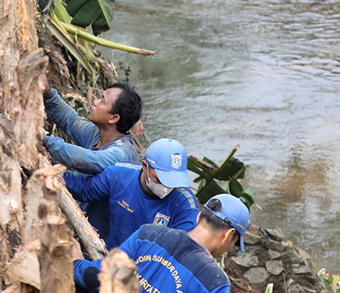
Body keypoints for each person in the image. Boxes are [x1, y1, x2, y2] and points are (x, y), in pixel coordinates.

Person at [73, 193, 250, 293]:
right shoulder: (215, 283)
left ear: (198, 217)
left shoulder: (149, 233)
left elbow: (95, 275)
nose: (228, 249)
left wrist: (76, 262)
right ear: (228, 234)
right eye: (234, 244)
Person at [43, 84, 142, 241]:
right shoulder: (98, 136)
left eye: (102, 101)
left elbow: (88, 160)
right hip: (81, 227)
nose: (95, 102)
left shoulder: (123, 154)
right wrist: (48, 93)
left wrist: (43, 140)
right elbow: (71, 121)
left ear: (114, 118)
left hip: (103, 241)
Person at [64, 138, 199, 250]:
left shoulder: (185, 204)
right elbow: (84, 189)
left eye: (173, 182)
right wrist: (54, 171)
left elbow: (181, 249)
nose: (166, 186)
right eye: (160, 179)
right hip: (113, 260)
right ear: (145, 166)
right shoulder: (119, 175)